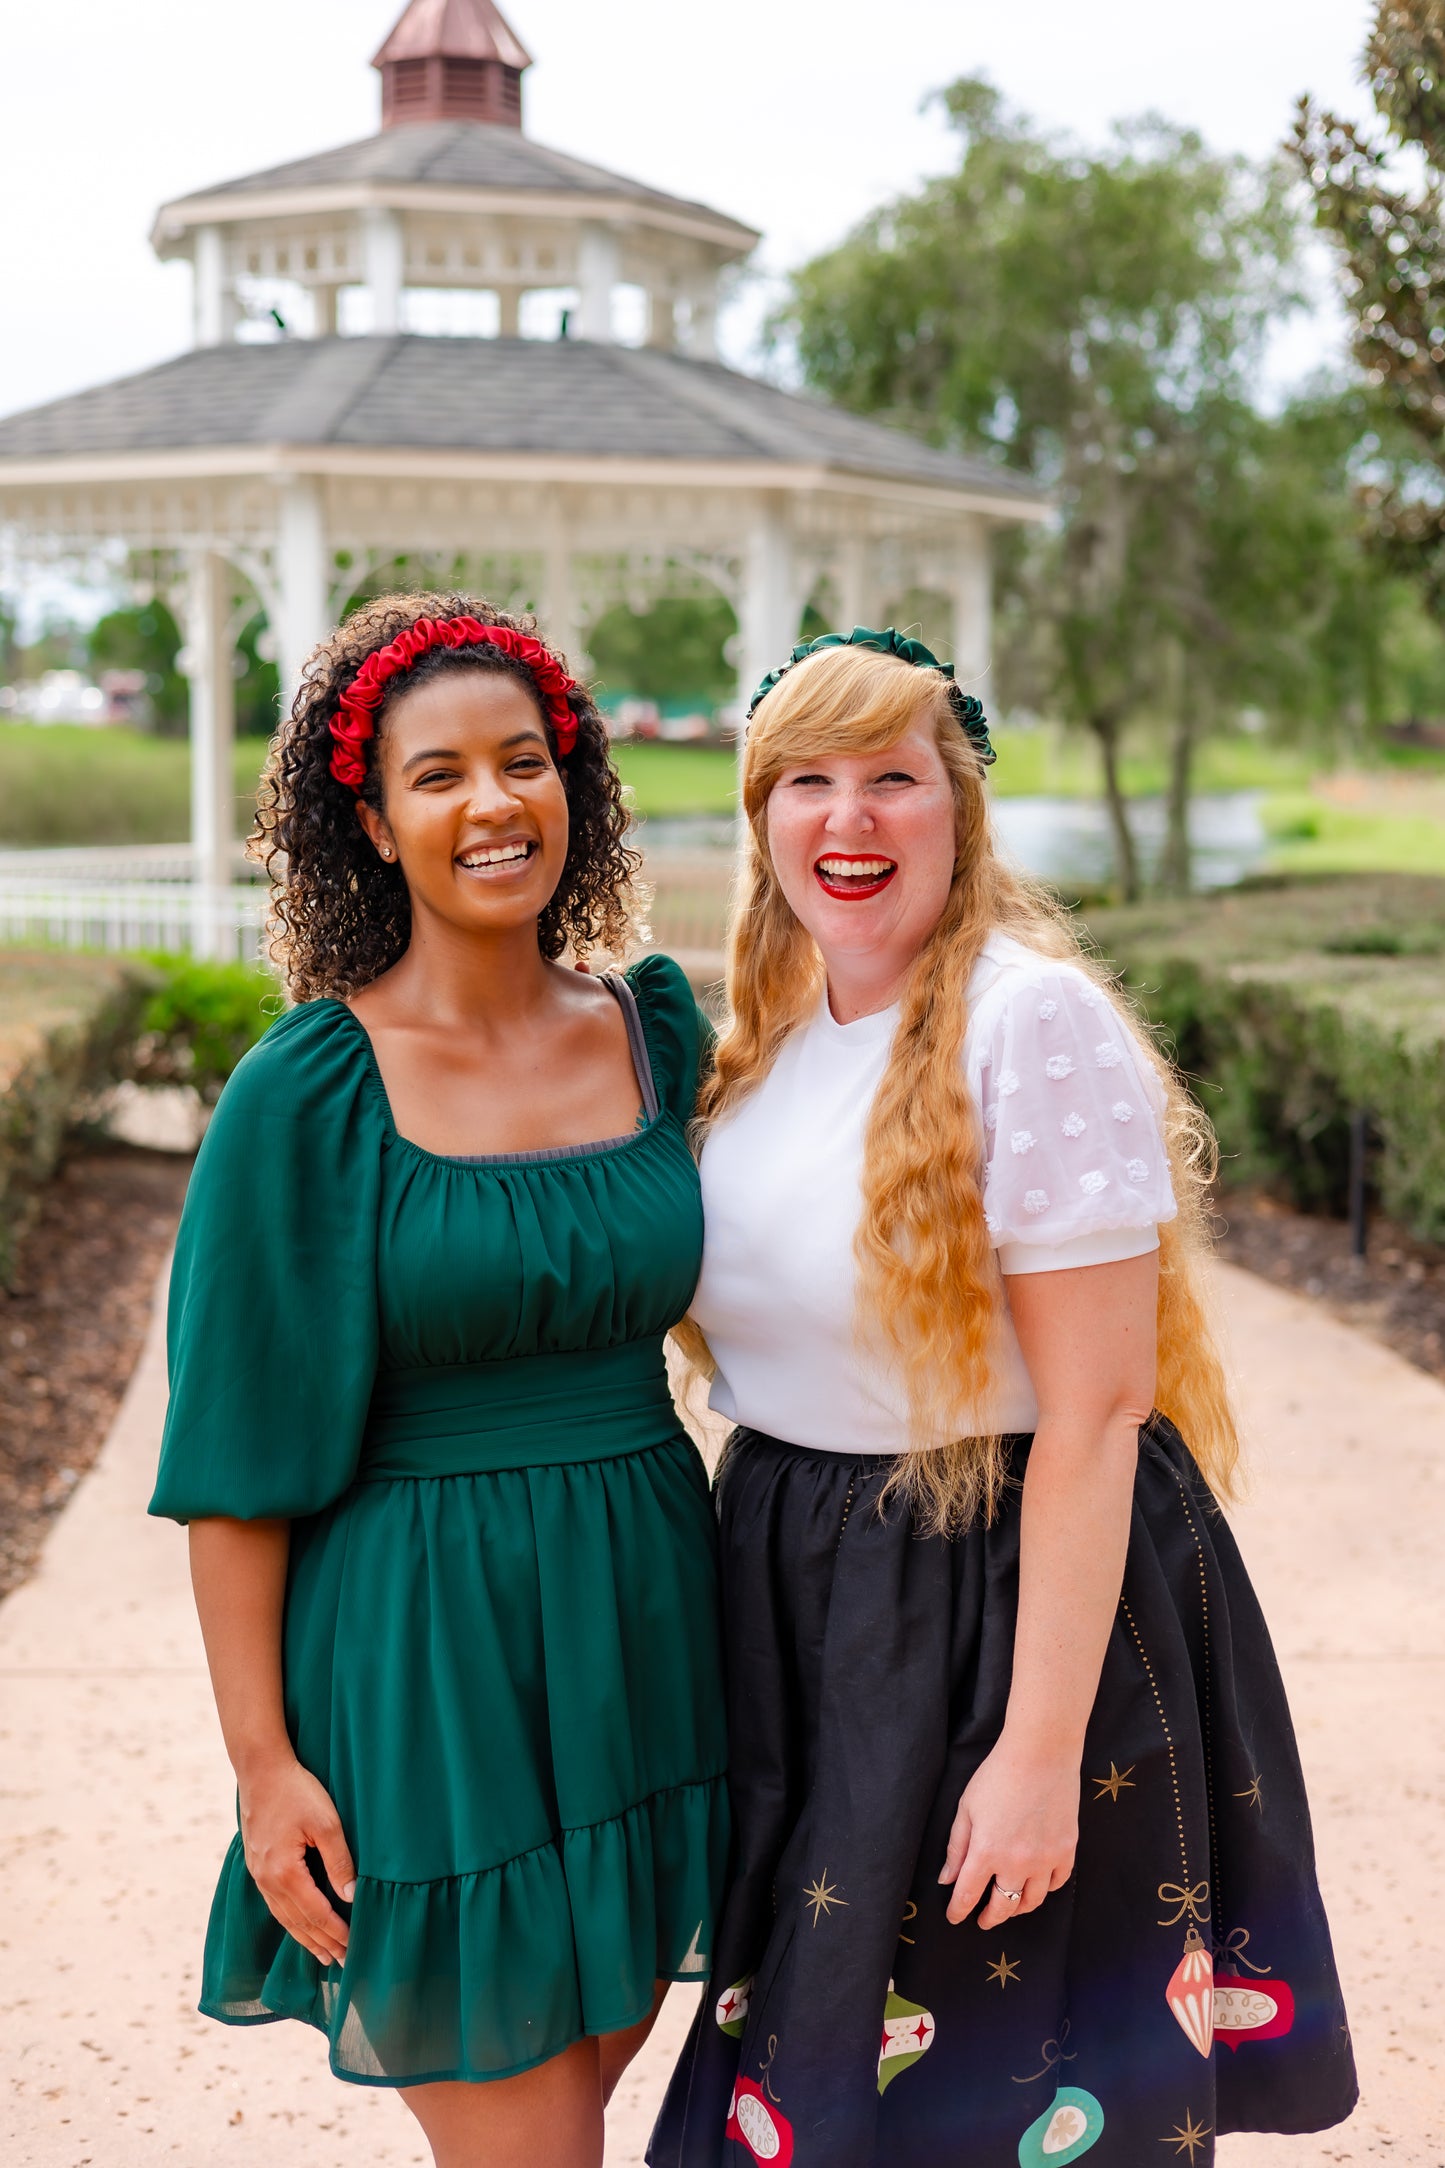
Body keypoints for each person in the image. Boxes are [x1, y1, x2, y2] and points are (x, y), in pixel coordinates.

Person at [650, 630, 1356, 2168]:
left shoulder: (1027, 1022)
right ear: (760, 817)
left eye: (891, 781)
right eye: (806, 783)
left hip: (1001, 1592)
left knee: (1002, 2098)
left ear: (959, 809)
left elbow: (1099, 1414)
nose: (848, 822)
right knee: (812, 2078)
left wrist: (1036, 1760)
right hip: (803, 1590)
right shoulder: (763, 1039)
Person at [150, 595, 729, 2168]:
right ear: (373, 821)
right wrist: (266, 1771)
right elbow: (231, 1471)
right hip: (419, 1665)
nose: (493, 805)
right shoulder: (309, 1094)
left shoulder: (653, 1033)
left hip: (647, 1638)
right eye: (439, 775)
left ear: (574, 783)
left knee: (568, 2130)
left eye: (525, 761)